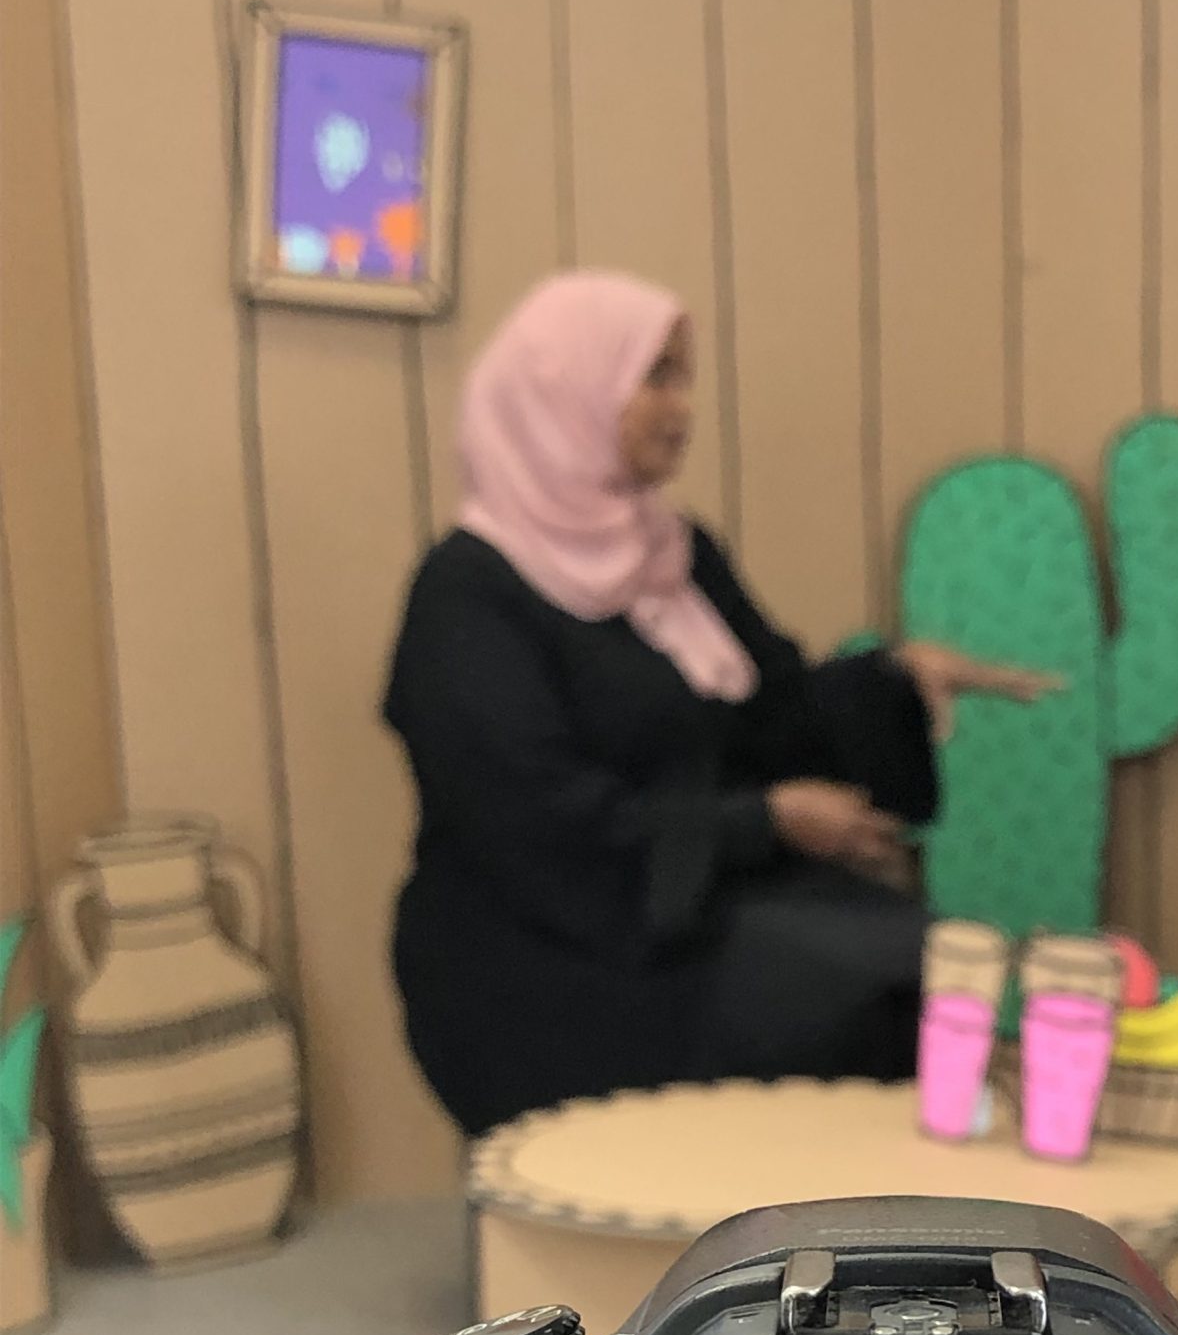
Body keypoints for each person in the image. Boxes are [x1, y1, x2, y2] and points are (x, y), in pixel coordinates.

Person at [384, 271, 1047, 1136]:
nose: (682, 407)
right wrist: (765, 822)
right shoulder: (468, 592)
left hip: (698, 899)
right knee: (848, 987)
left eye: (683, 378)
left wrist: (893, 677)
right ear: (568, 392)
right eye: (655, 377)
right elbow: (535, 822)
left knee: (920, 961)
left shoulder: (675, 554)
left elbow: (774, 714)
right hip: (546, 948)